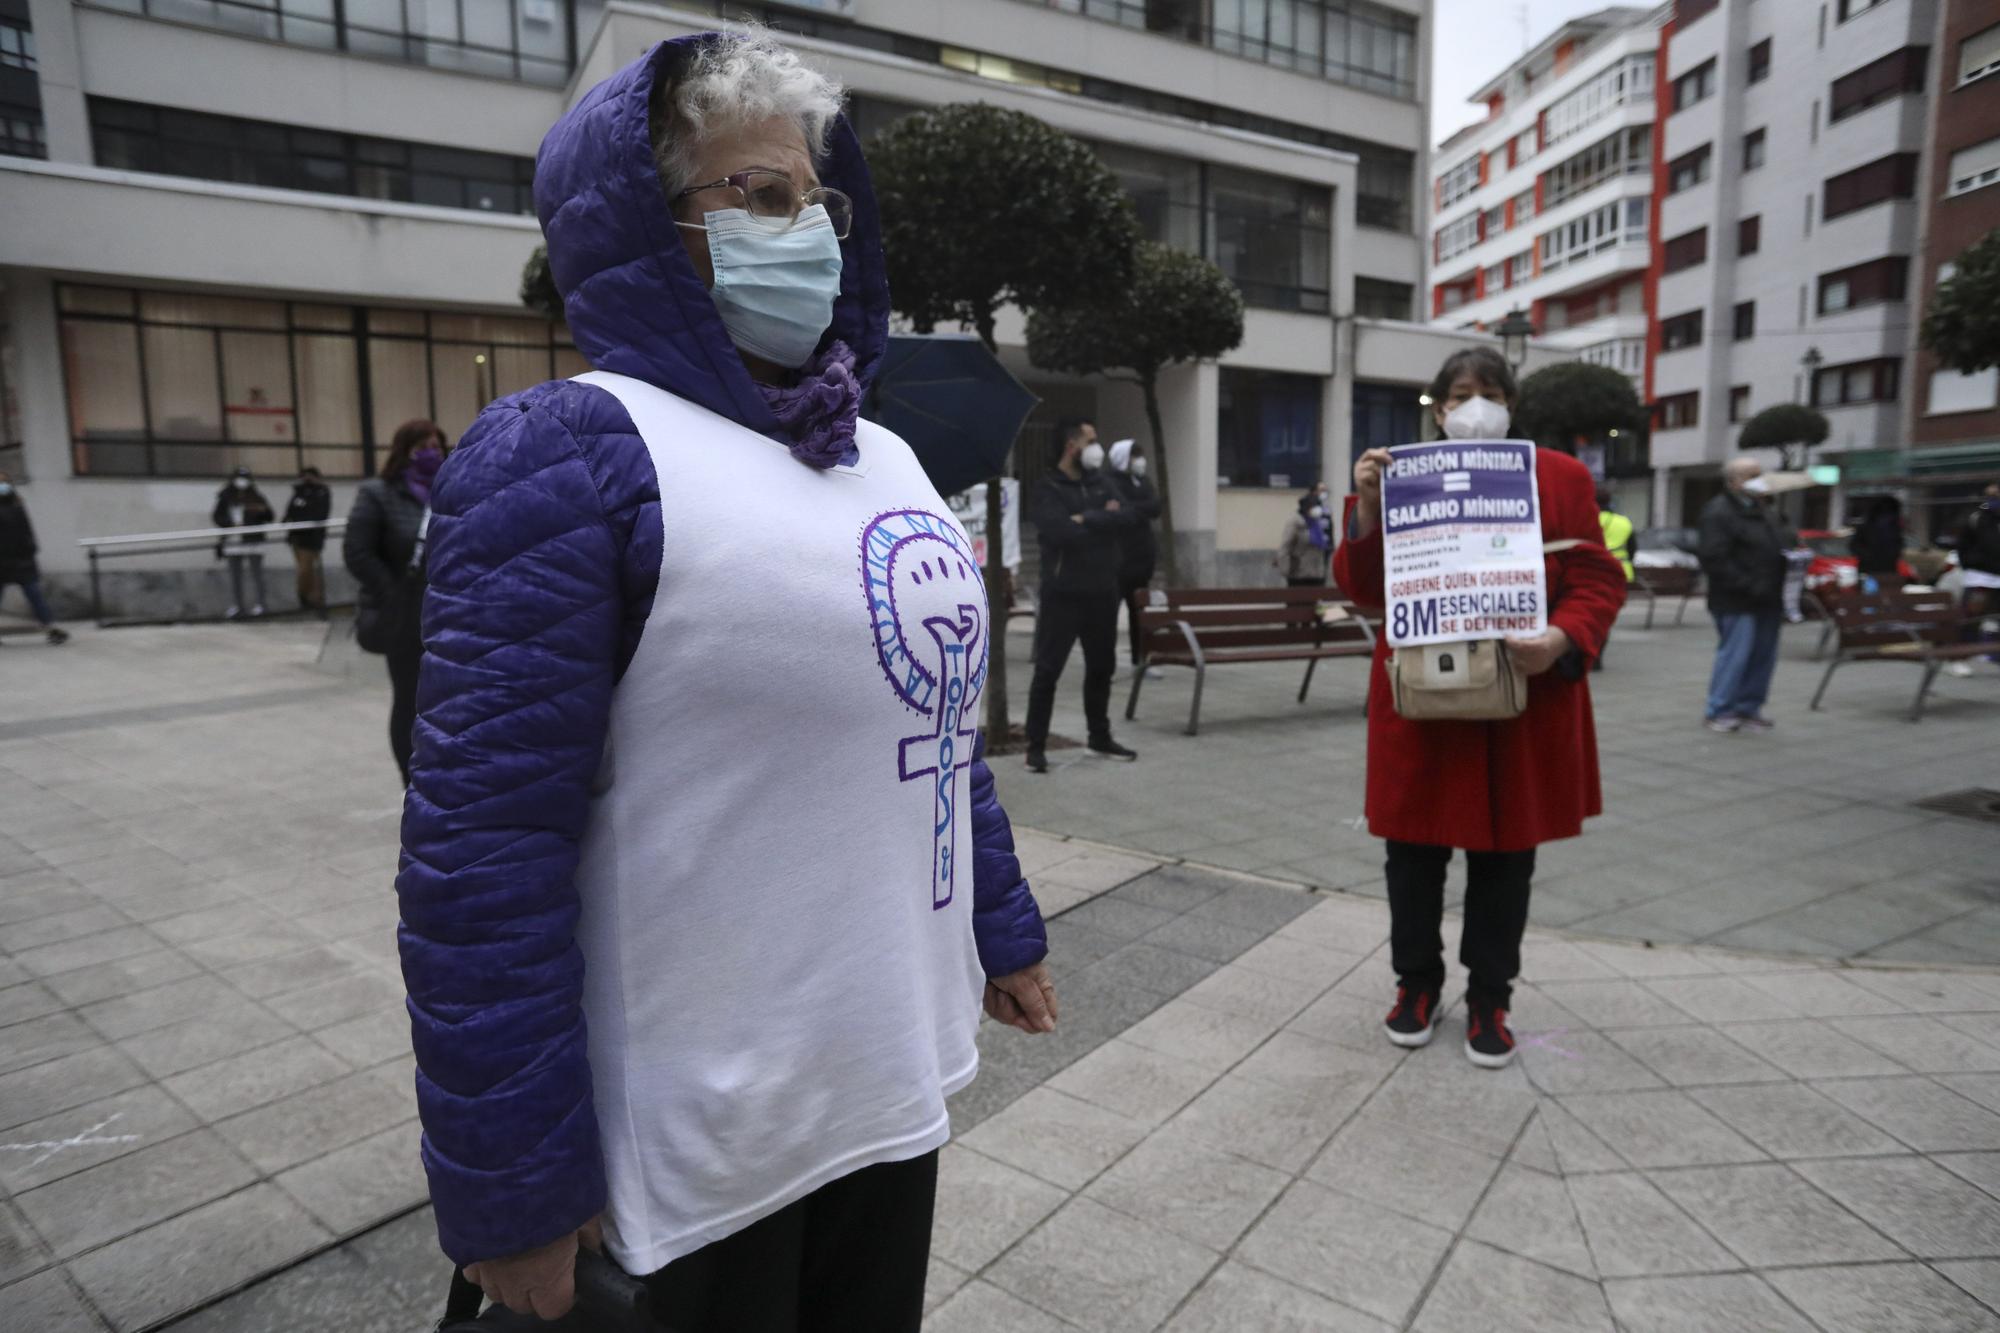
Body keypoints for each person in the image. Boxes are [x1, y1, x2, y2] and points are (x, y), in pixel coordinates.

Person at [396, 32, 1054, 1332]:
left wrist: (1005, 925)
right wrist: (514, 1190)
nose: (801, 227)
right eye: (755, 195)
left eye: (815, 199)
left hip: (883, 1085)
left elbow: (935, 726)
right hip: (692, 1162)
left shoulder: (887, 457)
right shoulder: (568, 452)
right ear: (648, 225)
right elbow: (481, 853)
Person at [1335, 346, 1625, 1069]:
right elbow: (1366, 589)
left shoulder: (1559, 476)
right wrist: (1367, 505)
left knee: (1505, 862)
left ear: (1512, 403)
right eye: (1459, 393)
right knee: (1412, 856)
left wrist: (1561, 636)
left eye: (1489, 391)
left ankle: (1491, 995)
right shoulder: (1399, 473)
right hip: (1423, 703)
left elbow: (1596, 576)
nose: (1474, 405)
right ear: (1436, 406)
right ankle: (1416, 986)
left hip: (1517, 706)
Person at [1024, 418, 1139, 773]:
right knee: (1048, 671)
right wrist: (1100, 519)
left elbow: (1130, 517)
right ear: (1072, 445)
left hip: (1103, 590)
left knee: (1102, 667)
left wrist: (1084, 519)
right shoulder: (1048, 488)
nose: (1096, 447)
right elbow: (1059, 533)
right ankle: (1036, 746)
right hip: (1063, 594)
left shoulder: (1101, 482)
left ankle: (1099, 735)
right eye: (1091, 440)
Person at [343, 420, 443, 784]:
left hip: (449, 613)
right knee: (410, 699)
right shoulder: (378, 492)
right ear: (404, 450)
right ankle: (411, 777)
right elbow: (357, 552)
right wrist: (392, 592)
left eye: (437, 444)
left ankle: (443, 771)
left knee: (447, 700)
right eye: (423, 446)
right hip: (404, 616)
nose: (432, 452)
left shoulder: (451, 491)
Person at [1697, 457, 1796, 733]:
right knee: (1736, 655)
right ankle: (1719, 710)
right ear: (1734, 482)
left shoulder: (1764, 510)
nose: (1759, 479)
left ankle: (1748, 707)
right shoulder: (1719, 512)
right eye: (1752, 475)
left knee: (1762, 655)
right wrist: (1747, 584)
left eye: (1759, 473)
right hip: (1737, 599)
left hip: (1768, 597)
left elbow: (1783, 542)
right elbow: (1713, 557)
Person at [1102, 437, 1162, 673]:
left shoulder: (1144, 481)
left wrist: (1134, 509)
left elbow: (1155, 507)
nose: (1139, 461)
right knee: (1109, 615)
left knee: (1140, 614)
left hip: (1142, 559)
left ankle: (1141, 660)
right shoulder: (1109, 481)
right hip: (1119, 560)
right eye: (1134, 456)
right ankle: (1106, 663)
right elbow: (1123, 510)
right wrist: (1137, 509)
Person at [0, 473, 69, 645]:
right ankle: (50, 627)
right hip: (7, 561)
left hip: (21, 561)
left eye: (3, 482)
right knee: (32, 594)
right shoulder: (16, 508)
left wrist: (30, 551)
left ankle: (50, 627)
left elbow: (27, 533)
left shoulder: (18, 507)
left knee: (34, 595)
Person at [1950, 482, 2000, 676]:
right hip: (1980, 579)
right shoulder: (1977, 517)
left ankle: (1991, 654)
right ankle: (1959, 658)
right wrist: (1974, 563)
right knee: (1971, 620)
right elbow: (1963, 546)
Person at [212, 466, 274, 619]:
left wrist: (260, 511)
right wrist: (229, 523)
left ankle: (261, 604)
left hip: (252, 539)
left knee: (257, 574)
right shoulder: (225, 497)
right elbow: (217, 517)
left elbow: (270, 515)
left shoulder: (256, 496)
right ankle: (237, 605)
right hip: (233, 539)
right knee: (235, 576)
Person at [283, 466, 333, 618]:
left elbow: (320, 513)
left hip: (312, 539)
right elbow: (290, 512)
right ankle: (308, 598)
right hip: (297, 538)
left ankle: (310, 598)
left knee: (308, 570)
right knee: (305, 570)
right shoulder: (299, 492)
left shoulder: (322, 492)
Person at [1594, 483, 1633, 671]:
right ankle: (1599, 655)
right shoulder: (1623, 522)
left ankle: (1590, 653)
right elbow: (1632, 549)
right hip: (1619, 572)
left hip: (1594, 572)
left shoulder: (1588, 518)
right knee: (1606, 615)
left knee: (1591, 613)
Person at [1276, 484, 1333, 586]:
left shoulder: (1318, 524)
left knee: (1314, 600)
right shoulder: (1296, 523)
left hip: (1316, 575)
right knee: (1299, 600)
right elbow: (1285, 547)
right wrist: (1286, 569)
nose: (1318, 510)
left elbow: (1323, 547)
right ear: (1307, 507)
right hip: (1299, 575)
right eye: (1315, 506)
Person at [1849, 494, 1904, 581]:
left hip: (1885, 568)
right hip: (1873, 568)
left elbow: (1898, 544)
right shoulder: (1868, 527)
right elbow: (1855, 546)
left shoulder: (1893, 528)